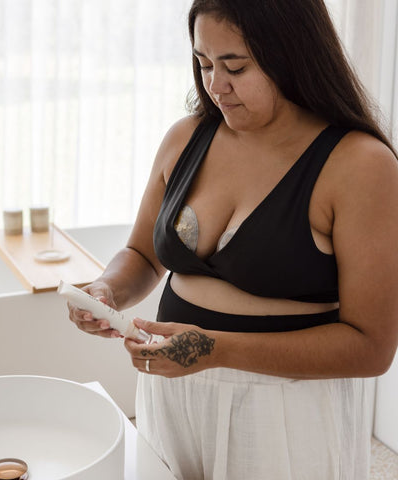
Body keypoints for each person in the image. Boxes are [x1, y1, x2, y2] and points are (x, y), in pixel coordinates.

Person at [68, 1, 398, 478]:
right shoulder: (186, 138)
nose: (215, 86)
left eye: (235, 67)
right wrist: (107, 289)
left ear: (292, 54)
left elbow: (371, 348)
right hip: (171, 395)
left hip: (283, 410)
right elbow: (142, 253)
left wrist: (212, 350)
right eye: (203, 63)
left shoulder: (359, 165)